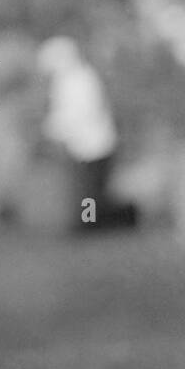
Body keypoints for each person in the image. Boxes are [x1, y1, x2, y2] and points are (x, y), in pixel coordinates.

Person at [36, 36, 134, 233]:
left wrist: (52, 129)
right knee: (88, 191)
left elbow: (77, 114)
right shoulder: (70, 79)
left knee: (89, 192)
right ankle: (91, 224)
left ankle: (93, 225)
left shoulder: (77, 80)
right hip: (82, 145)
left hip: (92, 145)